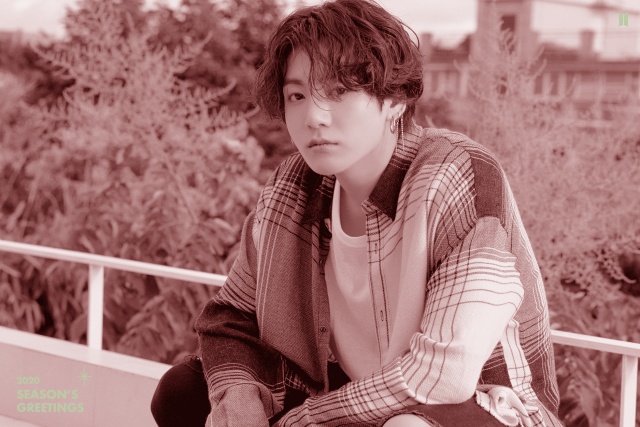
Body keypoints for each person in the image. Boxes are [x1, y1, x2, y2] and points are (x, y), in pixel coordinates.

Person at [151, 0, 563, 426]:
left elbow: (444, 373)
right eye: (297, 95)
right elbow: (231, 317)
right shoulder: (294, 186)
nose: (314, 117)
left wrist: (302, 421)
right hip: (349, 395)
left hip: (474, 402)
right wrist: (238, 399)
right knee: (182, 391)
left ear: (395, 100)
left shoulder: (457, 173)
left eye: (339, 92)